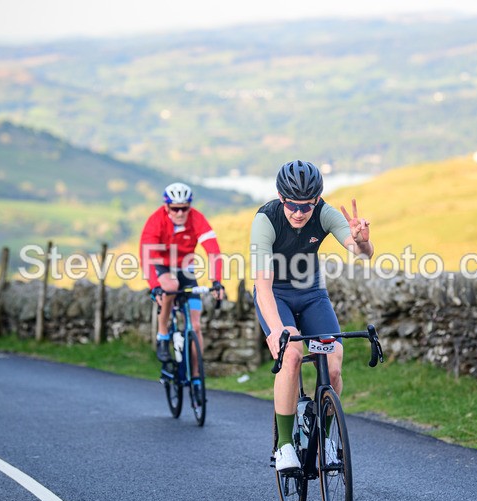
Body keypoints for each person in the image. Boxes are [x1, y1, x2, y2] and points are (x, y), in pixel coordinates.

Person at [251, 160, 373, 471]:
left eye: (306, 205)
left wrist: (361, 240)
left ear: (316, 200)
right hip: (275, 294)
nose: (299, 212)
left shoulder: (324, 213)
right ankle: (285, 446)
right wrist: (278, 331)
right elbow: (262, 287)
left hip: (312, 294)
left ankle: (327, 440)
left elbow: (360, 251)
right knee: (291, 356)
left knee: (333, 366)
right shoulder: (266, 220)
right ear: (281, 198)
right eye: (292, 204)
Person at [140, 182, 224, 378]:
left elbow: (213, 251)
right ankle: (162, 334)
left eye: (184, 208)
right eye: (175, 208)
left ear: (189, 206)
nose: (179, 213)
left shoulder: (196, 218)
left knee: (195, 325)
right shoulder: (156, 221)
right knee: (171, 285)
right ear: (166, 207)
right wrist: (155, 287)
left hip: (185, 269)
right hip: (161, 265)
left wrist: (216, 281)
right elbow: (146, 257)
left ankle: (195, 375)